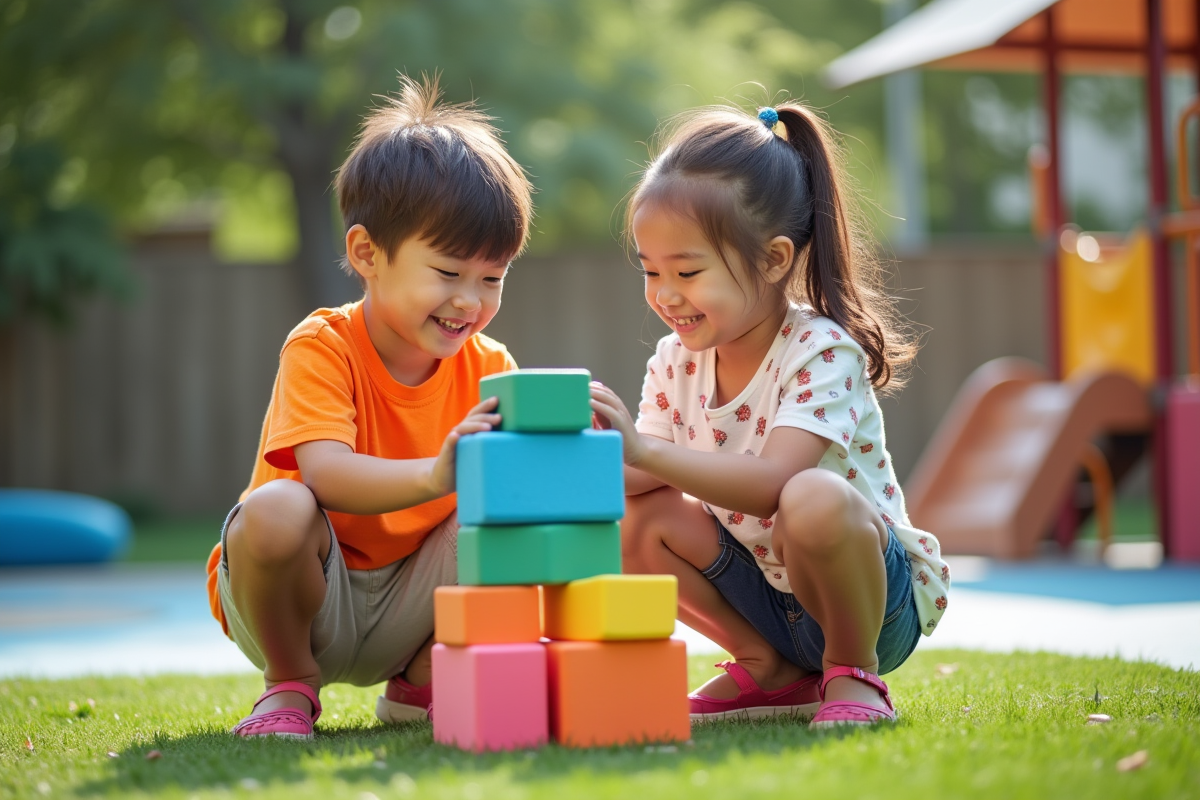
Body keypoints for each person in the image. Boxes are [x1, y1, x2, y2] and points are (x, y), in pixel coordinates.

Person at [588, 103, 949, 727]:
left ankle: (852, 674)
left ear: (775, 259)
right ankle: (770, 670)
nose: (665, 294)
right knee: (632, 517)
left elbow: (774, 485)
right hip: (767, 595)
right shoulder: (674, 361)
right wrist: (581, 451)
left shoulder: (821, 351)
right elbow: (641, 479)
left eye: (688, 271)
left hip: (874, 603)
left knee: (811, 496)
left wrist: (644, 454)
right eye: (651, 271)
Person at [203, 75, 532, 739]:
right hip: (309, 599)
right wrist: (437, 474)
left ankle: (422, 678)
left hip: (413, 602)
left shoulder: (491, 367)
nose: (470, 299)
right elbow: (327, 475)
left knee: (512, 503)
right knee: (277, 506)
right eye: (447, 272)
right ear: (367, 254)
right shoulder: (324, 344)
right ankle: (289, 686)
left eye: (491, 278)